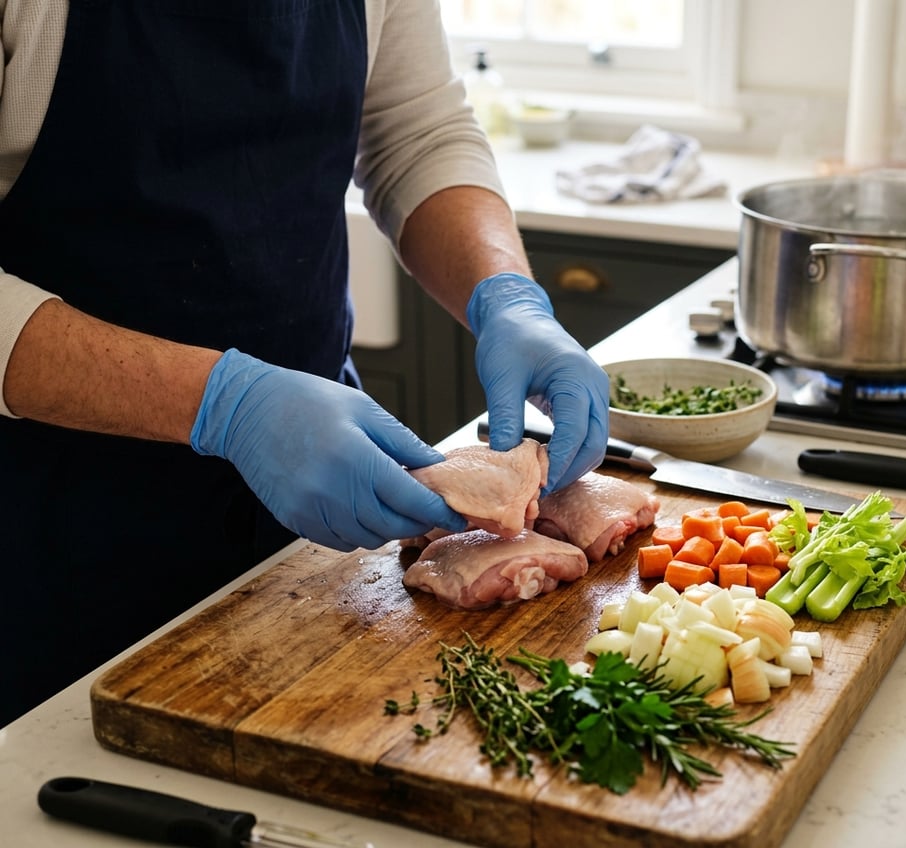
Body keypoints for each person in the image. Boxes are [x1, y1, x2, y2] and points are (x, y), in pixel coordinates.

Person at [0, 0, 609, 726]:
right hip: (47, 513)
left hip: (311, 486)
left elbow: (417, 132)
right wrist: (227, 403)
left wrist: (506, 295)